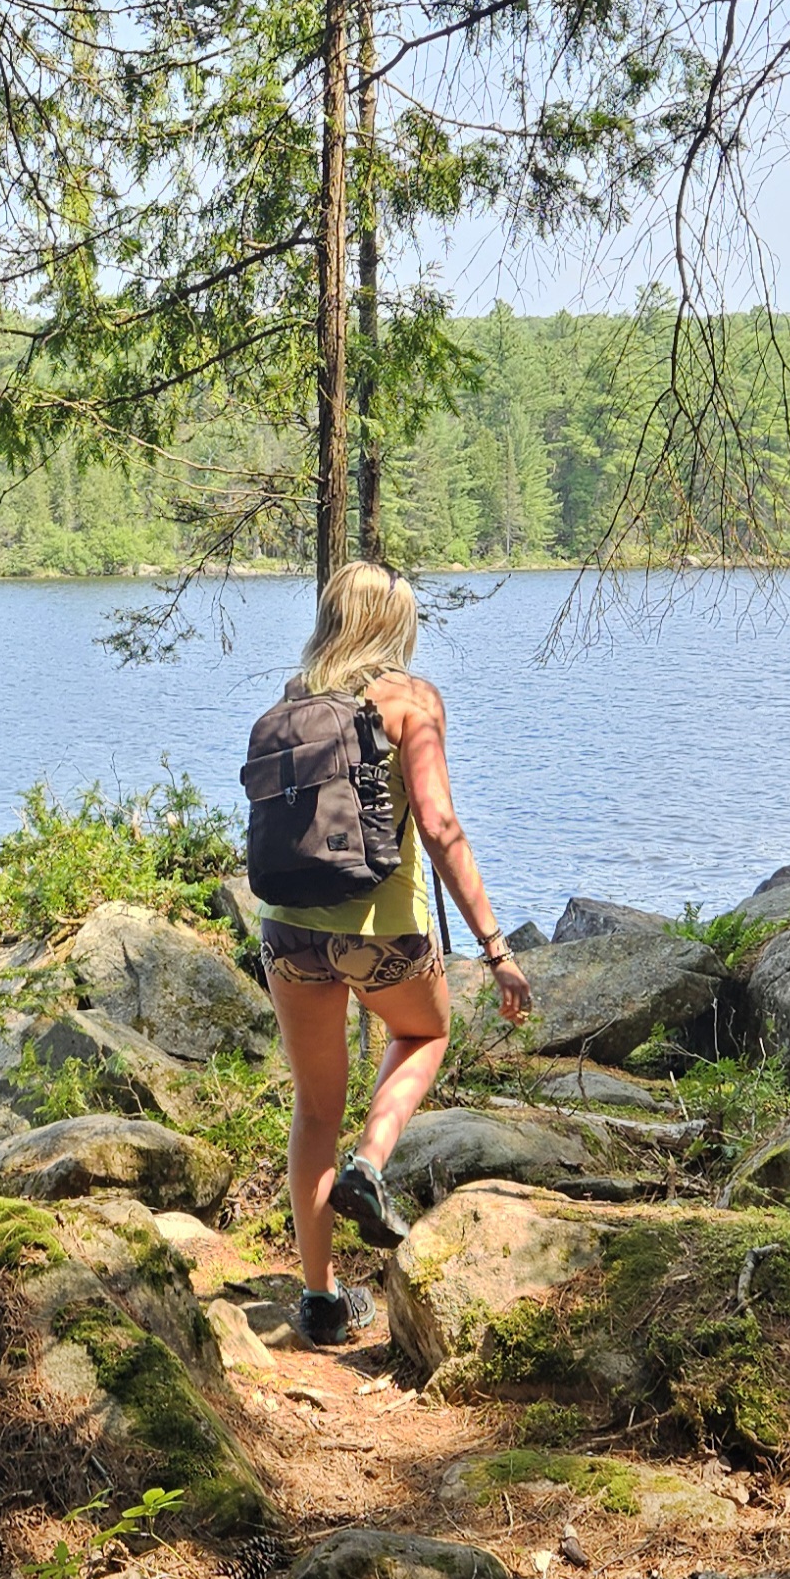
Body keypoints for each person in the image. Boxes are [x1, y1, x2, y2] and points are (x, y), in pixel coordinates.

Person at [256, 561, 530, 1347]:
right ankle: (370, 1165)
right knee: (426, 1032)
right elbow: (439, 829)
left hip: (290, 932)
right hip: (384, 931)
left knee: (313, 1108)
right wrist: (495, 946)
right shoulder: (411, 701)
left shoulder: (292, 702)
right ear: (393, 627)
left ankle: (319, 1300)